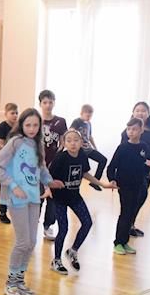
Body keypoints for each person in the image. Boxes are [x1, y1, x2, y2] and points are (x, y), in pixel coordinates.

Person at [0, 108, 53, 295]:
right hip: (17, 199)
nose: (32, 129)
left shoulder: (38, 144)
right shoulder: (15, 142)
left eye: (35, 125)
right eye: (28, 125)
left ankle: (19, 280)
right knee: (23, 242)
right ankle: (10, 283)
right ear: (22, 125)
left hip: (34, 197)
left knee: (32, 242)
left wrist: (50, 182)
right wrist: (13, 185)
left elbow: (41, 168)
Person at [47, 129, 111, 274]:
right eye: (69, 140)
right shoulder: (60, 157)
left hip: (75, 196)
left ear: (81, 142)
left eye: (76, 140)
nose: (73, 143)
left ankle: (73, 251)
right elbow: (48, 176)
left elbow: (85, 173)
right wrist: (48, 188)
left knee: (87, 223)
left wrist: (102, 184)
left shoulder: (82, 155)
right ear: (64, 143)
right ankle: (56, 260)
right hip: (59, 198)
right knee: (63, 229)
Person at [108, 118, 150, 255]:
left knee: (131, 214)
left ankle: (124, 241)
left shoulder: (144, 147)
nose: (131, 132)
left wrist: (149, 169)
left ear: (141, 130)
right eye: (129, 129)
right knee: (125, 213)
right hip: (124, 185)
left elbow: (149, 164)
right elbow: (112, 166)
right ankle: (118, 242)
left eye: (134, 129)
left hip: (138, 185)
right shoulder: (122, 147)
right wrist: (112, 180)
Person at [118, 101, 150, 238]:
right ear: (133, 113)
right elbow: (124, 154)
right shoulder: (128, 132)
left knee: (141, 197)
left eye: (143, 111)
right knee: (129, 202)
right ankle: (124, 229)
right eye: (137, 110)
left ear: (148, 114)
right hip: (131, 172)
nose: (140, 113)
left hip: (145, 171)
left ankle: (130, 224)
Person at [37, 90, 67, 240]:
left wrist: (57, 158)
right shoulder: (35, 120)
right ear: (40, 104)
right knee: (38, 195)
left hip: (54, 165)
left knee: (53, 197)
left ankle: (48, 225)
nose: (48, 105)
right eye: (45, 102)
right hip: (37, 165)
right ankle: (32, 222)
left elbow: (63, 141)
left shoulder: (61, 121)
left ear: (54, 103)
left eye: (50, 102)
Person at [70, 104, 107, 191]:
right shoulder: (77, 121)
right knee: (81, 170)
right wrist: (76, 143)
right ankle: (74, 188)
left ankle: (95, 182)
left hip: (88, 149)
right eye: (87, 114)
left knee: (103, 160)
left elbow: (90, 136)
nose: (89, 116)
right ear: (82, 113)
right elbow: (71, 131)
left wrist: (95, 148)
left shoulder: (89, 124)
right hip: (80, 150)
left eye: (90, 115)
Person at [0, 103, 18, 224]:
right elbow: (1, 144)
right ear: (6, 114)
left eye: (16, 113)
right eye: (12, 113)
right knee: (4, 187)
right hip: (5, 162)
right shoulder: (3, 126)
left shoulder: (18, 127)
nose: (15, 115)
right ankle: (2, 212)